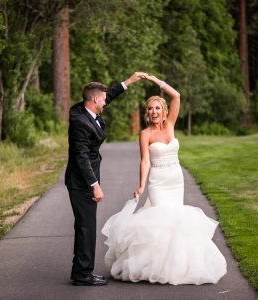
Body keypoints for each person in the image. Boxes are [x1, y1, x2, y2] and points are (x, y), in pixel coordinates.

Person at [102, 74, 227, 285]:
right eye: (150, 109)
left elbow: (176, 96)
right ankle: (153, 266)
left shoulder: (170, 125)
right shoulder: (145, 134)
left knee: (176, 220)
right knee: (161, 217)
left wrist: (155, 80)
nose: (154, 112)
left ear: (164, 111)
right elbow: (145, 162)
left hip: (176, 179)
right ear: (147, 113)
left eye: (157, 108)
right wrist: (141, 184)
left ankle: (176, 267)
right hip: (158, 181)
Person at [65, 72, 147, 286]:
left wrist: (128, 82)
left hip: (84, 179)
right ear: (94, 100)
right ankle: (83, 274)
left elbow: (107, 94)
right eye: (102, 99)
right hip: (81, 181)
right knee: (86, 227)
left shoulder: (84, 110)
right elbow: (81, 158)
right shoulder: (81, 123)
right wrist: (95, 185)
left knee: (85, 226)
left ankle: (80, 271)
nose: (105, 101)